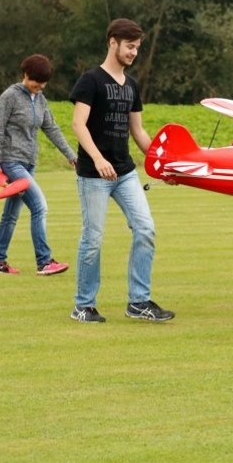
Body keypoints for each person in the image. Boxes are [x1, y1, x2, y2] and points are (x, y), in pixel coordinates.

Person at [69, 18, 174, 324]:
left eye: (137, 48)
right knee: (93, 238)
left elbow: (139, 133)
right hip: (94, 175)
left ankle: (139, 302)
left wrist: (163, 165)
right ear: (112, 42)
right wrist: (99, 159)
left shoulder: (131, 87)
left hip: (125, 173)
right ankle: (83, 305)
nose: (133, 53)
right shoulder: (90, 81)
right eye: (129, 46)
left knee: (145, 229)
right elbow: (78, 124)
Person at [0, 53, 76, 276]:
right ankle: (44, 262)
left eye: (44, 83)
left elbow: (52, 129)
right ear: (26, 75)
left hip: (29, 163)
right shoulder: (10, 97)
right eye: (37, 82)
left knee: (11, 215)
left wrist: (71, 156)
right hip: (11, 162)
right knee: (39, 207)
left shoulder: (41, 99)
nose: (40, 87)